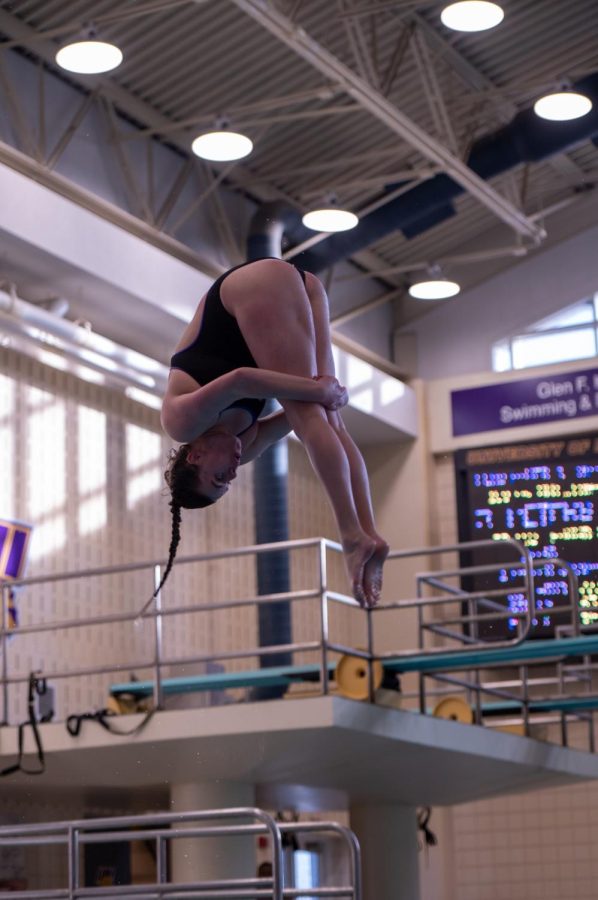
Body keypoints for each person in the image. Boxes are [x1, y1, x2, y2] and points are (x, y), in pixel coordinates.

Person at [159, 257, 388, 608]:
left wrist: (315, 393)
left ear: (196, 455)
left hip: (249, 287)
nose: (233, 472)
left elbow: (241, 380)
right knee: (327, 420)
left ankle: (350, 536)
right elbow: (293, 417)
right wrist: (322, 396)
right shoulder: (244, 444)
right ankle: (369, 532)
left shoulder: (183, 422)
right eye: (229, 482)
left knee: (312, 417)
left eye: (219, 477)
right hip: (303, 287)